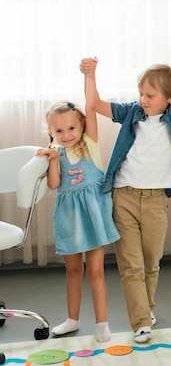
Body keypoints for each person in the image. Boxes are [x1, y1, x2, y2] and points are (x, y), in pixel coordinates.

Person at [80, 24, 171, 343]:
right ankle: (140, 322)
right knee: (131, 265)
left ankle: (147, 308)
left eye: (150, 95)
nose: (143, 100)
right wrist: (90, 75)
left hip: (154, 201)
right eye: (141, 94)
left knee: (151, 262)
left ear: (169, 98)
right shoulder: (132, 112)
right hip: (123, 196)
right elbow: (94, 104)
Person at [36, 99, 121, 343]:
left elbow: (91, 104)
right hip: (69, 217)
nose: (66, 135)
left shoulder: (90, 143)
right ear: (51, 132)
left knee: (95, 271)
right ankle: (72, 319)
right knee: (73, 269)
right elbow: (54, 185)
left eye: (71, 128)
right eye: (59, 130)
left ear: (82, 125)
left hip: (94, 215)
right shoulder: (57, 152)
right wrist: (52, 159)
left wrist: (89, 74)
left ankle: (102, 323)